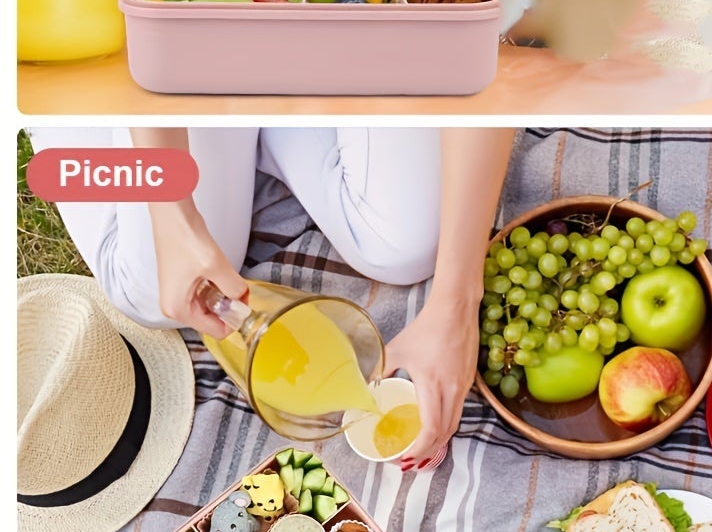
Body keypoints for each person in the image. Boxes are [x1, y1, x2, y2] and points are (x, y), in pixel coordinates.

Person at [29, 126, 515, 464]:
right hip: (165, 50)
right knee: (157, 287)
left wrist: (455, 302)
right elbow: (162, 16)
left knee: (408, 248)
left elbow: (476, 55)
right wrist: (174, 218)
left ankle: (260, 123)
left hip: (305, 23)